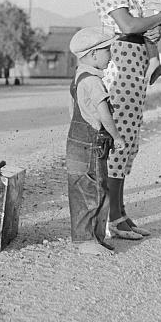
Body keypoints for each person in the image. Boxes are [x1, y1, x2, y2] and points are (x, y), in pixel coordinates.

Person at [91, 0, 161, 240]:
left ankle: (119, 213)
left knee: (128, 139)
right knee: (118, 139)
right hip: (121, 58)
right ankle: (112, 216)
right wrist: (160, 18)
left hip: (135, 59)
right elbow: (127, 25)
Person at [65, 27, 125, 256]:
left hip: (76, 141)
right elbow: (103, 114)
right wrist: (117, 136)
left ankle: (92, 237)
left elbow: (72, 108)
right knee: (94, 191)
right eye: (107, 50)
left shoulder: (79, 76)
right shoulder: (94, 82)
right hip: (90, 144)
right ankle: (86, 239)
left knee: (82, 188)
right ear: (93, 55)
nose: (110, 54)